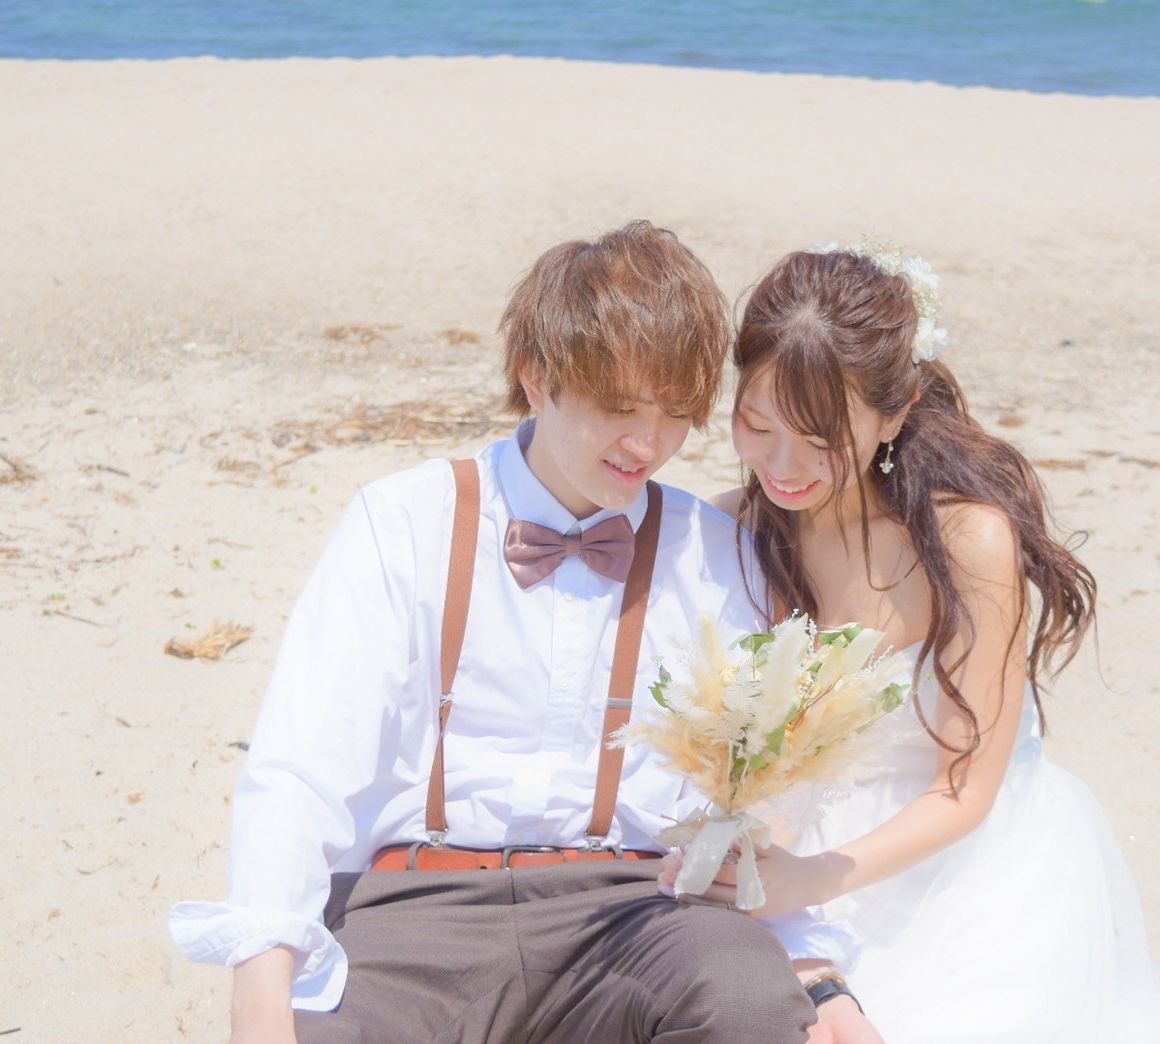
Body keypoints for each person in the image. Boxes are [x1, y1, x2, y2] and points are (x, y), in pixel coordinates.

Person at [169, 222, 881, 1043]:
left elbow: (756, 802)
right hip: (412, 908)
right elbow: (301, 766)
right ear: (536, 378)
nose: (648, 445)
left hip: (640, 915)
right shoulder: (403, 522)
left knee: (749, 1003)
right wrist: (259, 995)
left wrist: (817, 976)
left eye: (674, 414)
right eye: (619, 408)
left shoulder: (717, 554)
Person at [679, 243, 1160, 1042]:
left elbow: (965, 790)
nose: (783, 466)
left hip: (966, 865)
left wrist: (806, 883)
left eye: (822, 439)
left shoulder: (968, 541)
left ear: (894, 413)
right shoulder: (735, 526)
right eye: (756, 425)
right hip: (789, 847)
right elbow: (751, 754)